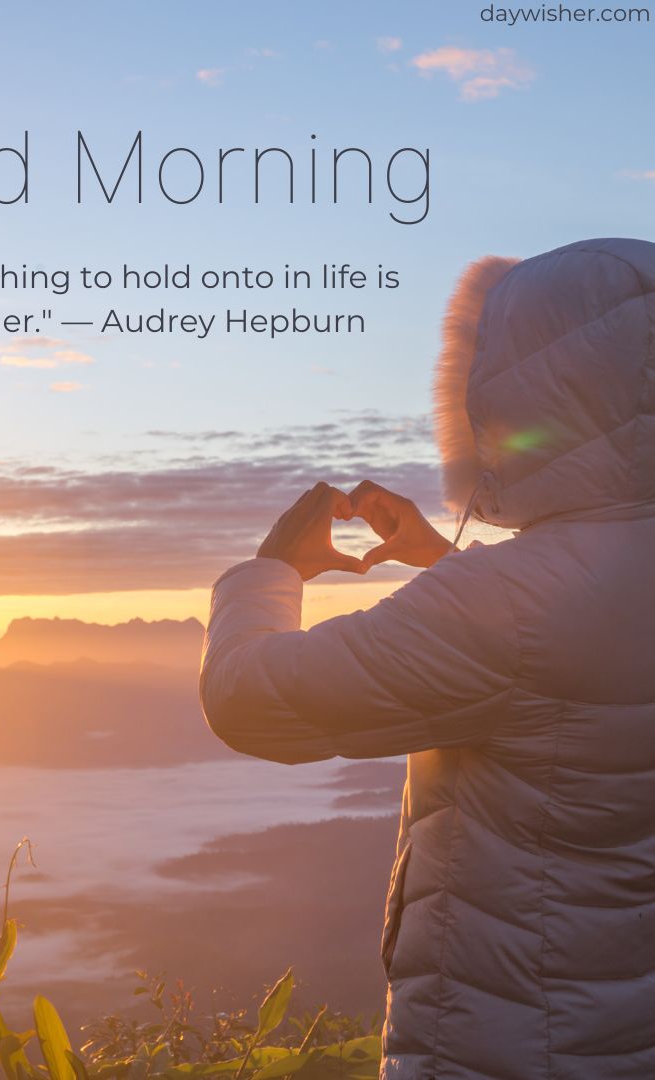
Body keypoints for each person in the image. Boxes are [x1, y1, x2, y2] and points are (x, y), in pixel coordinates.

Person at [199, 237, 655, 1080]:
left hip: (502, 1043)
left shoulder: (508, 603)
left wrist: (272, 571)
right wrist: (443, 562)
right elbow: (568, 662)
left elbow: (250, 701)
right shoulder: (549, 596)